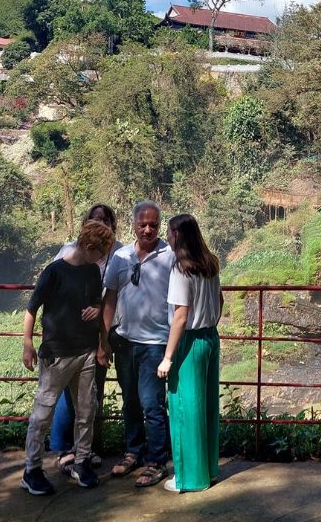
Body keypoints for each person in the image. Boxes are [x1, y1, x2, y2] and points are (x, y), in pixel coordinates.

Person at [21, 220, 113, 496]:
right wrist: (28, 343)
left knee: (87, 409)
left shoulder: (93, 272)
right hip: (56, 354)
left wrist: (96, 314)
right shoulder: (54, 271)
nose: (102, 258)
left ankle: (82, 461)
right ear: (87, 246)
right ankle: (31, 469)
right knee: (43, 413)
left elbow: (97, 302)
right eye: (100, 252)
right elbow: (32, 308)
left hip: (85, 351)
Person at [100, 200, 174, 488]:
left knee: (151, 404)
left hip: (156, 343)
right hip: (126, 341)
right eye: (142, 224)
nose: (147, 229)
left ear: (160, 224)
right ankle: (133, 451)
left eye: (153, 224)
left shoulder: (170, 255)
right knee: (130, 400)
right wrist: (102, 341)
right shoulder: (120, 256)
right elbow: (110, 300)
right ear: (133, 224)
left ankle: (156, 460)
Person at [49, 204, 123, 471]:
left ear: (113, 224)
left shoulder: (120, 253)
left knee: (92, 393)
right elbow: (53, 285)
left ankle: (86, 449)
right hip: (73, 332)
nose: (101, 224)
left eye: (105, 219)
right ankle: (62, 447)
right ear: (86, 224)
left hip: (106, 331)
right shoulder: (70, 250)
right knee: (68, 392)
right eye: (95, 219)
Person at [157, 214, 222, 493]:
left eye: (169, 233)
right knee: (205, 405)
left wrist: (168, 357)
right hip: (209, 338)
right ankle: (208, 470)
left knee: (185, 408)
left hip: (190, 342)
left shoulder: (181, 269)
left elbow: (181, 316)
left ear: (177, 235)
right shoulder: (210, 264)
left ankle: (189, 478)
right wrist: (210, 326)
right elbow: (219, 299)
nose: (167, 237)